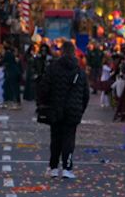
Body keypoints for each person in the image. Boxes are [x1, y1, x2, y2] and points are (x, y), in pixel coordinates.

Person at [38, 41, 89, 180]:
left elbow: (44, 88)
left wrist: (44, 104)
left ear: (61, 52)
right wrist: (80, 109)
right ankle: (67, 168)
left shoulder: (52, 68)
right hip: (73, 110)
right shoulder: (79, 71)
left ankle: (53, 167)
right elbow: (86, 94)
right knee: (69, 139)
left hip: (55, 108)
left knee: (55, 138)